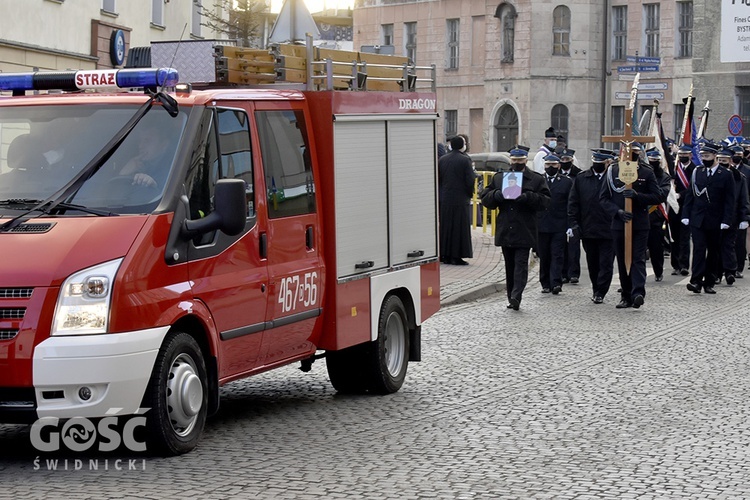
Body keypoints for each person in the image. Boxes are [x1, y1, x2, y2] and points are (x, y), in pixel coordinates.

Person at [480, 146, 551, 310]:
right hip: (506, 228)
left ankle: (516, 295)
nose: (517, 163)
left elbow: (546, 201)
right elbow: (485, 198)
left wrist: (528, 197)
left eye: (520, 160)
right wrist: (496, 195)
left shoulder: (536, 179)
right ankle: (511, 296)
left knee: (520, 265)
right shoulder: (499, 178)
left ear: (526, 160)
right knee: (510, 266)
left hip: (525, 228)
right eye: (514, 160)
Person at [599, 143, 663, 309]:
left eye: (634, 152)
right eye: (628, 151)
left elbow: (657, 196)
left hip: (640, 222)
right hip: (619, 223)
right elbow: (604, 198)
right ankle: (626, 295)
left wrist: (638, 196)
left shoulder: (646, 171)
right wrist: (617, 212)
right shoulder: (613, 171)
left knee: (637, 258)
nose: (630, 155)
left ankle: (638, 293)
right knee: (622, 260)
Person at [682, 142, 737, 294]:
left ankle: (710, 282)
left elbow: (729, 200)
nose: (704, 158)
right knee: (699, 249)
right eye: (702, 156)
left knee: (713, 251)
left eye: (707, 156)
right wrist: (686, 215)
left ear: (714, 156)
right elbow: (690, 195)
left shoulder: (725, 174)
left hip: (716, 220)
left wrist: (727, 220)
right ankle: (696, 281)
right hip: (698, 218)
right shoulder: (697, 172)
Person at [568, 150, 616, 304]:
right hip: (588, 228)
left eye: (601, 162)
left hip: (609, 229)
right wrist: (574, 223)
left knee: (606, 263)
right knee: (593, 262)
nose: (598, 165)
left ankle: (601, 291)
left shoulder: (613, 179)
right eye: (596, 162)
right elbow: (573, 202)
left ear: (608, 163)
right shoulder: (582, 178)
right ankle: (596, 287)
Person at [537, 154, 573, 294]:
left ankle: (556, 282)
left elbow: (570, 203)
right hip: (542, 224)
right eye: (548, 165)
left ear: (558, 165)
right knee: (544, 255)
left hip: (559, 224)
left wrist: (570, 224)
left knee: (557, 254)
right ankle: (545, 283)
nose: (550, 167)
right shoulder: (539, 180)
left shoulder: (566, 182)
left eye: (553, 165)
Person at [438, 135, 475, 266]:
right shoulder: (465, 160)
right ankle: (456, 256)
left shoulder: (442, 159)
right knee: (459, 229)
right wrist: (469, 194)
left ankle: (445, 255)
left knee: (446, 228)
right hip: (460, 199)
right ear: (462, 146)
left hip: (445, 199)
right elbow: (470, 180)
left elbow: (439, 179)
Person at [717, 146, 750, 284]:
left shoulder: (739, 177)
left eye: (724, 160)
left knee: (729, 245)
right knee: (716, 246)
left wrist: (745, 217)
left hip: (732, 216)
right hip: (715, 216)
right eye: (719, 160)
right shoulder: (712, 174)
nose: (721, 162)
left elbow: (744, 198)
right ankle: (716, 274)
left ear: (730, 161)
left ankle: (731, 271)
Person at [668, 144, 697, 276]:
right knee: (674, 236)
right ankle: (675, 265)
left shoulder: (695, 169)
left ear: (691, 155)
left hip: (687, 206)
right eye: (680, 155)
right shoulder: (674, 169)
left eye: (685, 155)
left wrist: (680, 195)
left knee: (685, 236)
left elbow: (693, 188)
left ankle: (684, 265)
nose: (682, 157)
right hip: (674, 207)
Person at [644, 148, 672, 282]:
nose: (652, 162)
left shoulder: (664, 177)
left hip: (655, 216)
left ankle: (658, 271)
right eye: (650, 160)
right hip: (640, 215)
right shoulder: (641, 173)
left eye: (655, 160)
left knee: (656, 247)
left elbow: (662, 194)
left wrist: (644, 197)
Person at [558, 148, 582, 284]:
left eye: (567, 160)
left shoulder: (578, 175)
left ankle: (574, 273)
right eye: (563, 160)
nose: (565, 162)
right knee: (561, 245)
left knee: (573, 245)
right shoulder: (557, 174)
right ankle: (562, 272)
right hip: (560, 214)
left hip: (573, 214)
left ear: (572, 160)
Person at [730, 144, 750, 278]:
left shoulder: (747, 171)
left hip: (742, 208)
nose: (737, 157)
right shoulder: (726, 170)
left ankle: (739, 267)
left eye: (739, 155)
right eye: (735, 155)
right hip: (728, 210)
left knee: (740, 240)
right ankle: (728, 267)